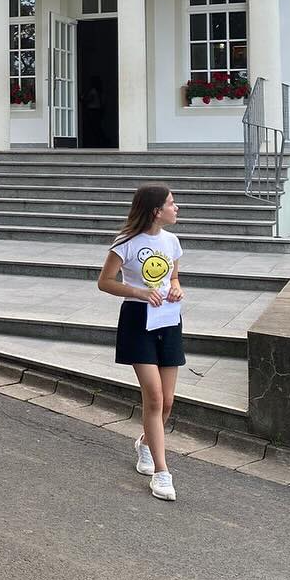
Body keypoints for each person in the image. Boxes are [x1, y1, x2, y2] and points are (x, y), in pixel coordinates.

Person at [97, 184, 185, 502]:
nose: (177, 208)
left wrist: (176, 288)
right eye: (171, 204)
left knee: (168, 401)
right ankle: (162, 473)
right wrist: (138, 292)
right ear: (156, 211)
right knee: (155, 397)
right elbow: (104, 282)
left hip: (168, 319)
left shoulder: (172, 241)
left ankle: (146, 443)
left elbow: (173, 277)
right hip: (137, 320)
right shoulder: (126, 243)